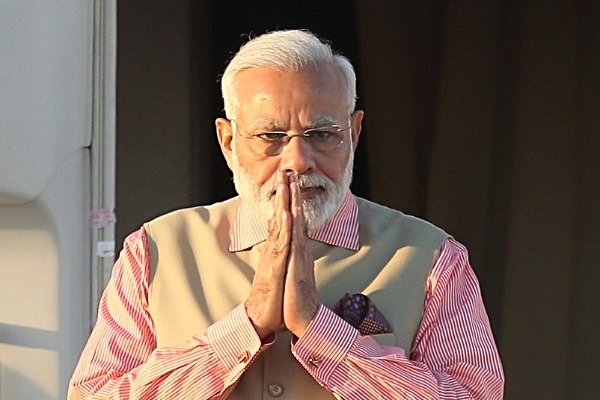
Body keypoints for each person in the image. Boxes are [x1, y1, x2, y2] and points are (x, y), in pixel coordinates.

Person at [68, 29, 504, 399]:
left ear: (353, 133)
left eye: (322, 134)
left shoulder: (429, 257)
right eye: (270, 136)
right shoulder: (157, 250)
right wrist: (246, 325)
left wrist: (320, 330)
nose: (298, 159)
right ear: (228, 141)